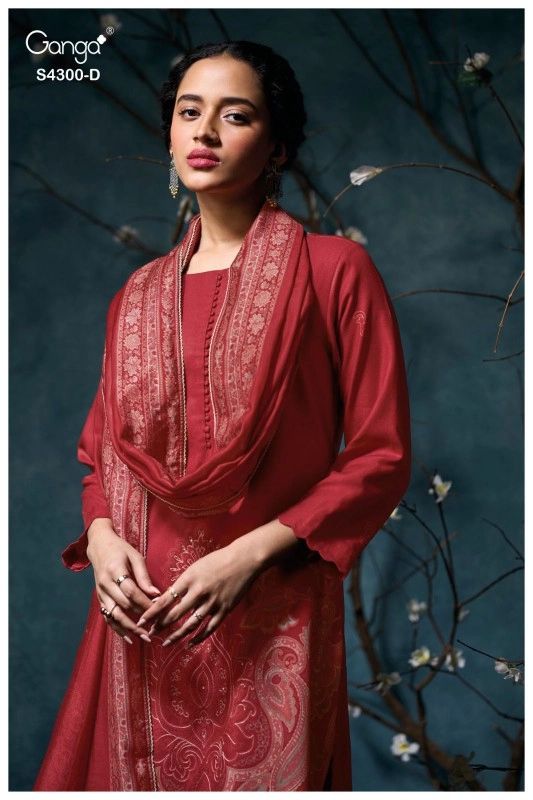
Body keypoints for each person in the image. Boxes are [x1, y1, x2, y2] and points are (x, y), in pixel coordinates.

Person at [33, 40, 411, 791]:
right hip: (142, 613)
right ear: (170, 133)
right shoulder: (136, 295)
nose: (204, 132)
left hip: (270, 601)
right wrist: (103, 544)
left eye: (235, 116)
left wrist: (246, 557)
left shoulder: (335, 271)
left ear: (277, 145)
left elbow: (380, 455)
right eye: (188, 112)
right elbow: (102, 456)